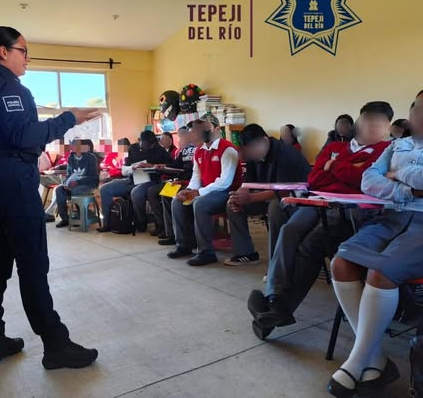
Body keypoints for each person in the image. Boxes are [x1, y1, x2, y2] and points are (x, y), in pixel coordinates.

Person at [0, 26, 100, 369]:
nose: (28, 57)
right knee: (32, 264)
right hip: (12, 179)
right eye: (23, 50)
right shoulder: (9, 87)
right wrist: (68, 119)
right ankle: (56, 345)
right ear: (3, 52)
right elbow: (24, 136)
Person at [248, 101, 394, 340]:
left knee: (310, 245)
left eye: (380, 123)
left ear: (387, 127)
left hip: (350, 209)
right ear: (359, 122)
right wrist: (344, 167)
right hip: (319, 199)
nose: (372, 127)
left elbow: (364, 180)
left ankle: (275, 312)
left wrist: (333, 166)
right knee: (289, 230)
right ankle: (274, 297)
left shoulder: (385, 151)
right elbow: (314, 179)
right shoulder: (336, 146)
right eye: (368, 121)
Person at [326, 92, 423, 397]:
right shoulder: (397, 145)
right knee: (340, 262)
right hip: (393, 216)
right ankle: (377, 358)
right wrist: (407, 190)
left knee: (380, 273)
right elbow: (369, 180)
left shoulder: (396, 153)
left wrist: (397, 174)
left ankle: (357, 361)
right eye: (418, 109)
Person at [225, 124, 311, 266]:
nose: (251, 154)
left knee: (276, 207)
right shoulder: (253, 156)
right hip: (269, 195)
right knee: (231, 205)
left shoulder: (286, 153)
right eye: (248, 151)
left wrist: (250, 198)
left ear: (264, 141)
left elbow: (283, 191)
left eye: (253, 150)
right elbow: (248, 183)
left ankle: (276, 265)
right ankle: (246, 253)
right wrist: (238, 196)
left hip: (298, 198)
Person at [168, 118, 243, 266]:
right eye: (195, 131)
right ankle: (184, 245)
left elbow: (225, 182)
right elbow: (196, 176)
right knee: (177, 200)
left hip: (226, 192)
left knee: (200, 205)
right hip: (207, 190)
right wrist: (189, 190)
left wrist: (199, 193)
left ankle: (206, 252)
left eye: (201, 130)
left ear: (215, 130)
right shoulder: (199, 151)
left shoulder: (227, 149)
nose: (196, 134)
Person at [97, 130, 170, 233]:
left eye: (151, 145)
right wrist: (133, 167)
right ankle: (108, 223)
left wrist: (152, 166)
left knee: (137, 193)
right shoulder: (132, 149)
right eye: (146, 144)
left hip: (149, 181)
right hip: (131, 179)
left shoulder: (160, 150)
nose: (148, 147)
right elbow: (124, 170)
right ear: (139, 141)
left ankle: (141, 223)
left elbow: (168, 167)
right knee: (105, 189)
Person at [148, 126, 195, 240]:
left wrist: (183, 180)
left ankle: (180, 233)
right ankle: (170, 232)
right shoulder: (184, 150)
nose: (182, 138)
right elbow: (176, 165)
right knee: (165, 192)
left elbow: (196, 172)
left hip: (190, 182)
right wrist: (165, 167)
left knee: (170, 195)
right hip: (180, 180)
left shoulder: (198, 149)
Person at [54, 139, 99, 228]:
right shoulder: (70, 158)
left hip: (88, 184)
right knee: (59, 190)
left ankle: (81, 217)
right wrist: (65, 183)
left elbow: (93, 177)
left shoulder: (91, 158)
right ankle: (65, 219)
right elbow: (68, 174)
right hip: (73, 184)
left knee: (75, 190)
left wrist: (77, 182)